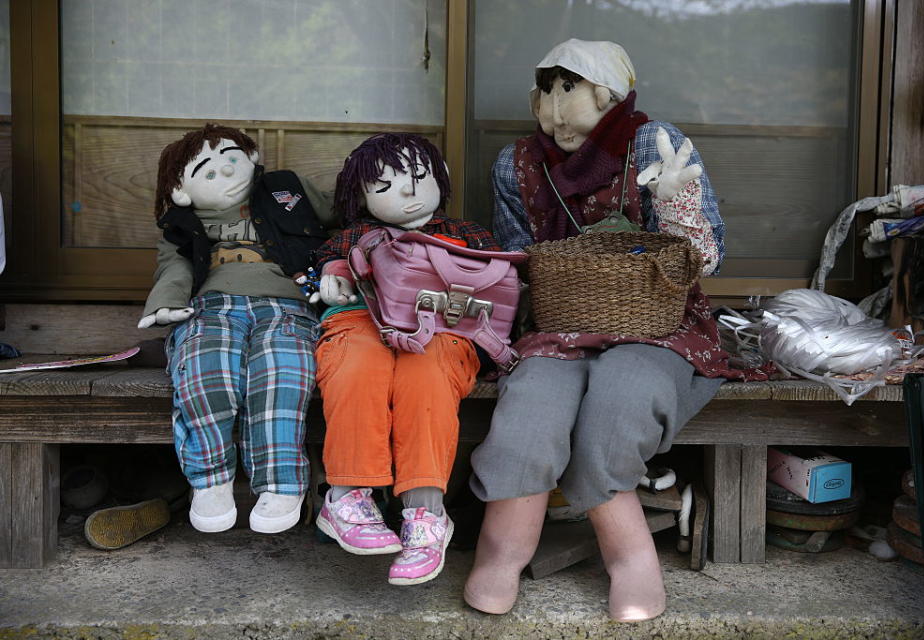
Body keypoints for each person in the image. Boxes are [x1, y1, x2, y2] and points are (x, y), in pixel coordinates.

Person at [464, 39, 766, 621]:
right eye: (546, 92)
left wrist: (675, 206)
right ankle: (501, 555)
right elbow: (516, 255)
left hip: (656, 322)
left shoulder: (656, 142)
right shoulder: (516, 163)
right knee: (529, 411)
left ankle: (631, 559)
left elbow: (707, 256)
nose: (554, 108)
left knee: (621, 403)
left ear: (606, 92)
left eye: (568, 89)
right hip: (559, 322)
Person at [310, 133, 503, 585]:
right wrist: (334, 273)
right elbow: (329, 263)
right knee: (358, 364)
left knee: (427, 376)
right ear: (360, 195)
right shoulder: (357, 235)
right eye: (387, 184)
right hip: (363, 318)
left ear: (442, 179)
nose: (409, 192)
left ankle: (425, 513)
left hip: (443, 328)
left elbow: (496, 279)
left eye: (420, 177)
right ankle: (347, 497)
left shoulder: (465, 234)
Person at [140, 123, 335, 535]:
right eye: (207, 172)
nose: (225, 173)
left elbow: (342, 213)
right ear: (182, 191)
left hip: (289, 305)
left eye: (230, 160)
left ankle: (282, 482)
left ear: (251, 157)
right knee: (206, 367)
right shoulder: (181, 225)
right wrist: (167, 304)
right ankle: (210, 480)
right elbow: (173, 266)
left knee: (284, 371)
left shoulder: (288, 192)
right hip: (212, 306)